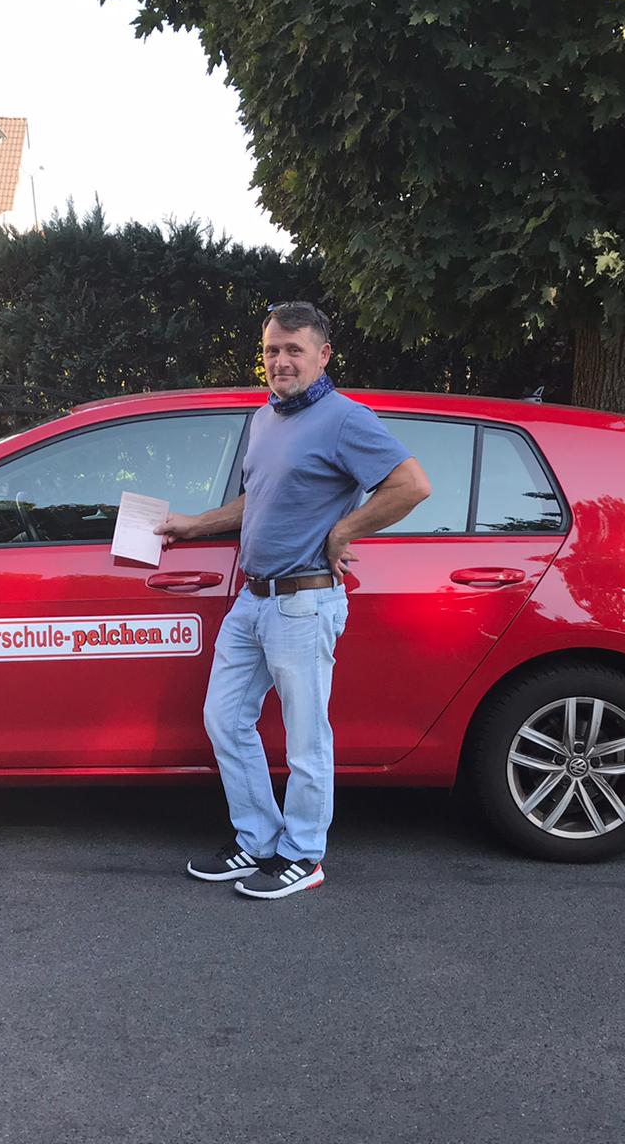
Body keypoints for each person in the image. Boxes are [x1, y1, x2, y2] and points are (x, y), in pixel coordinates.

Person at [156, 302, 431, 899]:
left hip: (303, 601)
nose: (281, 361)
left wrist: (344, 531)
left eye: (293, 350)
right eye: (272, 350)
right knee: (225, 719)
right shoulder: (265, 419)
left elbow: (411, 484)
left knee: (307, 737)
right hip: (253, 600)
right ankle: (257, 840)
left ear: (323, 355)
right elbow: (257, 499)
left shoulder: (344, 419)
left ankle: (304, 854)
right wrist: (196, 525)